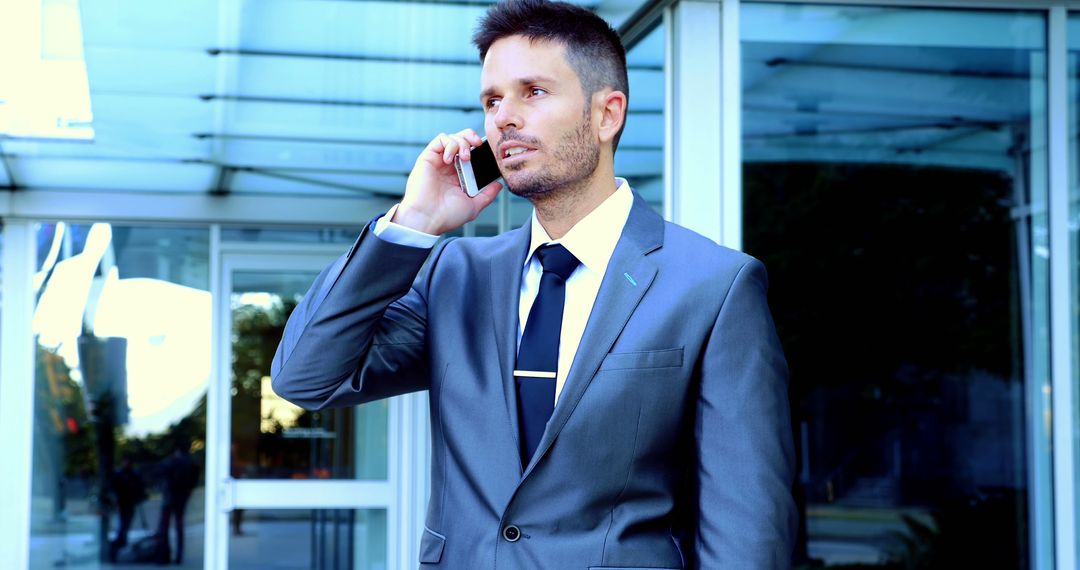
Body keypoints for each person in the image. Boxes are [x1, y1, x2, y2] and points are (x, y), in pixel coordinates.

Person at [271, 0, 796, 567]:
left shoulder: (714, 286)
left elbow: (747, 528)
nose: (503, 118)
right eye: (492, 100)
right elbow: (306, 378)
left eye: (533, 92)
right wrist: (412, 224)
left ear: (607, 115)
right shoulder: (454, 275)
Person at [154, 443, 199, 565]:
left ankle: (163, 556)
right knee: (179, 525)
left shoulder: (171, 461)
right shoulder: (189, 462)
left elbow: (159, 473)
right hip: (181, 496)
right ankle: (178, 557)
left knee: (165, 526)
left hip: (170, 497)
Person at [109, 455, 147, 562]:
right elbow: (114, 488)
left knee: (125, 525)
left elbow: (140, 487)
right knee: (122, 525)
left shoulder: (133, 474)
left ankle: (121, 543)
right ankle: (119, 544)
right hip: (123, 503)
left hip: (130, 503)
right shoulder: (120, 474)